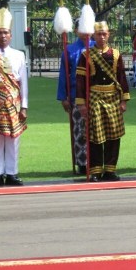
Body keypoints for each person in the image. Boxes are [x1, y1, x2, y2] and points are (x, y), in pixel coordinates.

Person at [76, 21, 130, 182]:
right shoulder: (86, 55)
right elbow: (80, 80)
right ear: (94, 35)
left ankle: (110, 169)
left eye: (104, 33)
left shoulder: (115, 54)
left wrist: (124, 100)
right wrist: (81, 103)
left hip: (113, 97)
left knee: (114, 135)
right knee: (95, 135)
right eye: (99, 34)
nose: (102, 37)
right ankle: (95, 170)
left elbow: (121, 77)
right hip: (95, 98)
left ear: (109, 34)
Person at [0, 9, 28, 186]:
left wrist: (24, 106)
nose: (2, 36)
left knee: (13, 138)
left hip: (13, 102)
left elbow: (23, 83)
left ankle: (12, 173)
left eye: (5, 32)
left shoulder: (19, 55)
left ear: (10, 35)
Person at [57, 23, 95, 174]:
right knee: (79, 130)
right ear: (76, 30)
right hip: (76, 96)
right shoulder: (69, 50)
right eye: (82, 28)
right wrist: (63, 97)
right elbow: (63, 76)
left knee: (96, 129)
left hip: (96, 95)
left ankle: (96, 161)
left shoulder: (97, 47)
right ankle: (82, 162)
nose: (86, 32)